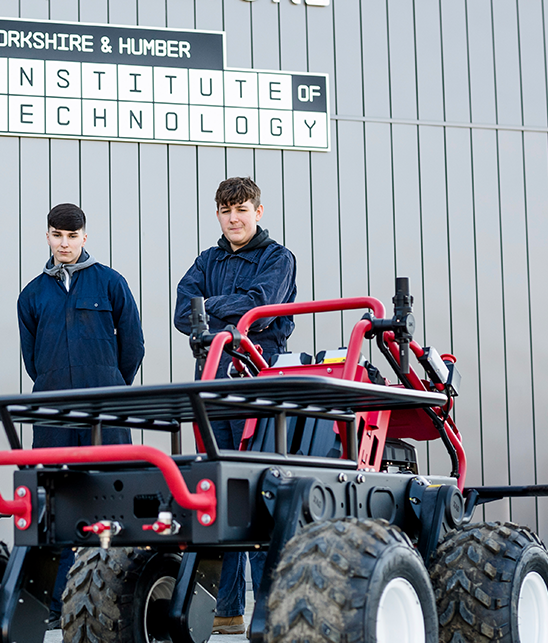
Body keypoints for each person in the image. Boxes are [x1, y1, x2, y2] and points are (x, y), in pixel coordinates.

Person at [173, 176, 297, 636]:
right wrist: (222, 309)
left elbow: (261, 305)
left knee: (262, 493)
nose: (233, 218)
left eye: (241, 209)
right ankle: (226, 612)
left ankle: (269, 615)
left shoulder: (277, 258)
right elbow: (180, 313)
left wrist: (209, 308)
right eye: (226, 211)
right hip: (211, 385)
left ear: (258, 212)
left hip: (257, 383)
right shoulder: (207, 260)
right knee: (220, 493)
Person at [17, 203, 145, 626]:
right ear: (48, 237)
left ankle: (116, 599)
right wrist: (58, 386)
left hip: (104, 413)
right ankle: (56, 606)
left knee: (112, 501)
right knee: (55, 503)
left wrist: (106, 385)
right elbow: (33, 360)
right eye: (57, 235)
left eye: (72, 236)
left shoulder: (111, 284)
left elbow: (133, 347)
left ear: (84, 237)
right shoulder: (32, 294)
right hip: (53, 413)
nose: (65, 244)